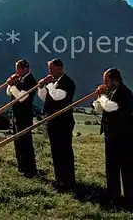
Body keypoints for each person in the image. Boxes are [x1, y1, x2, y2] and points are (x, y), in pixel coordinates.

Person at [93, 68, 133, 210]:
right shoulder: (110, 93)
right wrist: (99, 98)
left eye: (106, 81)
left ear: (115, 80)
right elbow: (100, 109)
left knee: (127, 170)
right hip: (111, 136)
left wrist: (102, 96)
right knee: (111, 168)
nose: (104, 84)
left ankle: (130, 202)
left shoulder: (125, 93)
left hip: (124, 137)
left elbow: (111, 107)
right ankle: (114, 197)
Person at [37, 58, 76, 191]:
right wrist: (41, 87)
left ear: (60, 68)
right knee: (55, 151)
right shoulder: (54, 83)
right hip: (52, 120)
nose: (50, 72)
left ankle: (68, 180)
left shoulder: (68, 82)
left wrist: (49, 84)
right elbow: (45, 98)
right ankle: (59, 178)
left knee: (64, 151)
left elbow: (58, 97)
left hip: (63, 122)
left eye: (52, 69)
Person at [6, 59, 38, 178]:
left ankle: (30, 170)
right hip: (17, 114)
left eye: (18, 68)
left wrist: (12, 85)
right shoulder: (21, 79)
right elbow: (10, 93)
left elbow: (22, 97)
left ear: (26, 69)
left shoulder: (30, 80)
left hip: (24, 115)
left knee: (25, 142)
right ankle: (21, 167)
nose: (17, 71)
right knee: (18, 141)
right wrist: (11, 85)